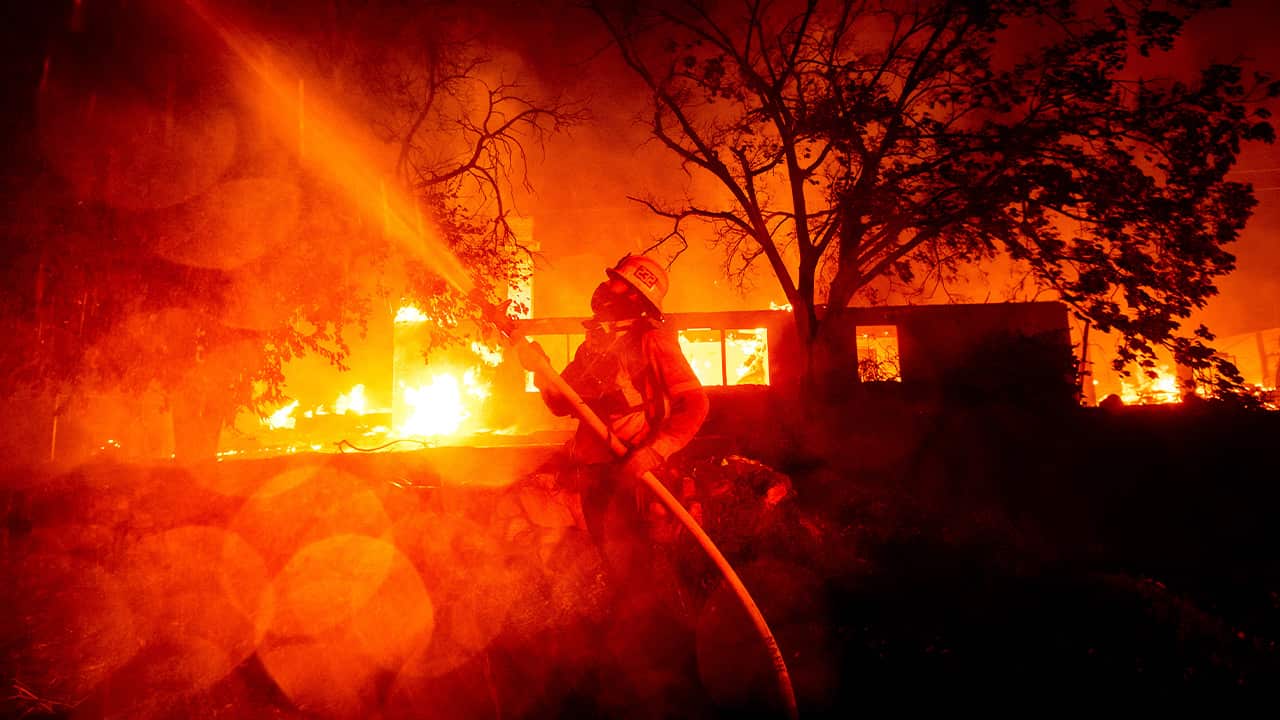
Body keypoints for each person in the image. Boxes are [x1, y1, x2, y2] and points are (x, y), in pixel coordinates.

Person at [517, 253, 710, 575]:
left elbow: (695, 404)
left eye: (615, 283)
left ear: (636, 295)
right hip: (594, 474)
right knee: (614, 562)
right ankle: (630, 620)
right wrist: (541, 371)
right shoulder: (593, 346)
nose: (604, 288)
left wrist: (654, 453)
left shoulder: (652, 341)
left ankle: (655, 622)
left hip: (632, 474)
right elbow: (563, 404)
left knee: (636, 568)